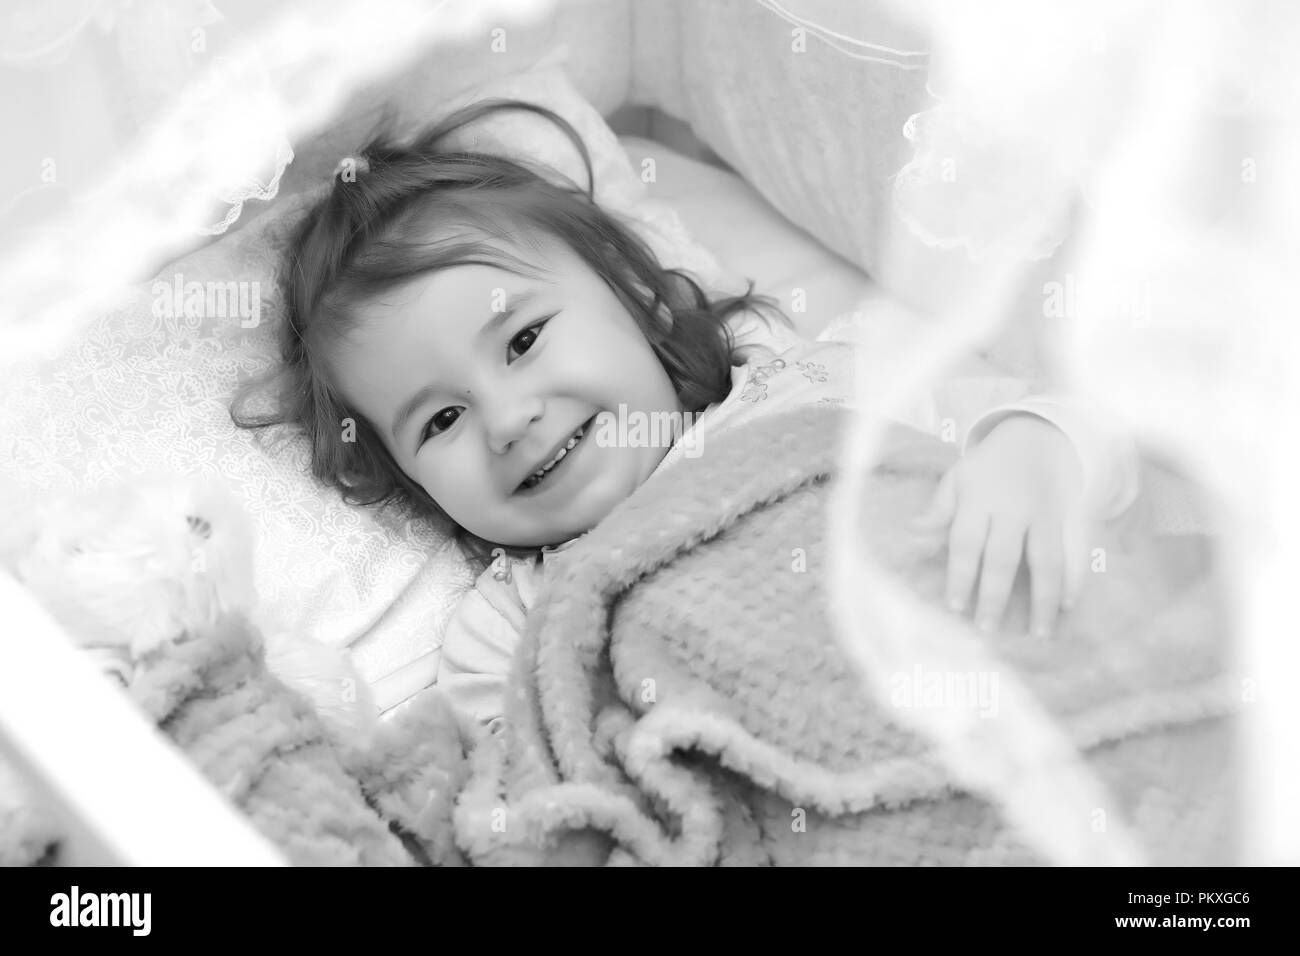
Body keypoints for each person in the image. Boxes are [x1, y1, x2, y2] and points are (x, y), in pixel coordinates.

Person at [232, 99, 1139, 727]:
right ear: (411, 483)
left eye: (521, 342)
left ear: (644, 299)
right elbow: (540, 798)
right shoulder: (505, 630)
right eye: (439, 423)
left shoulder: (826, 385)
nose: (507, 419)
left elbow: (1092, 433)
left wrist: (1030, 454)